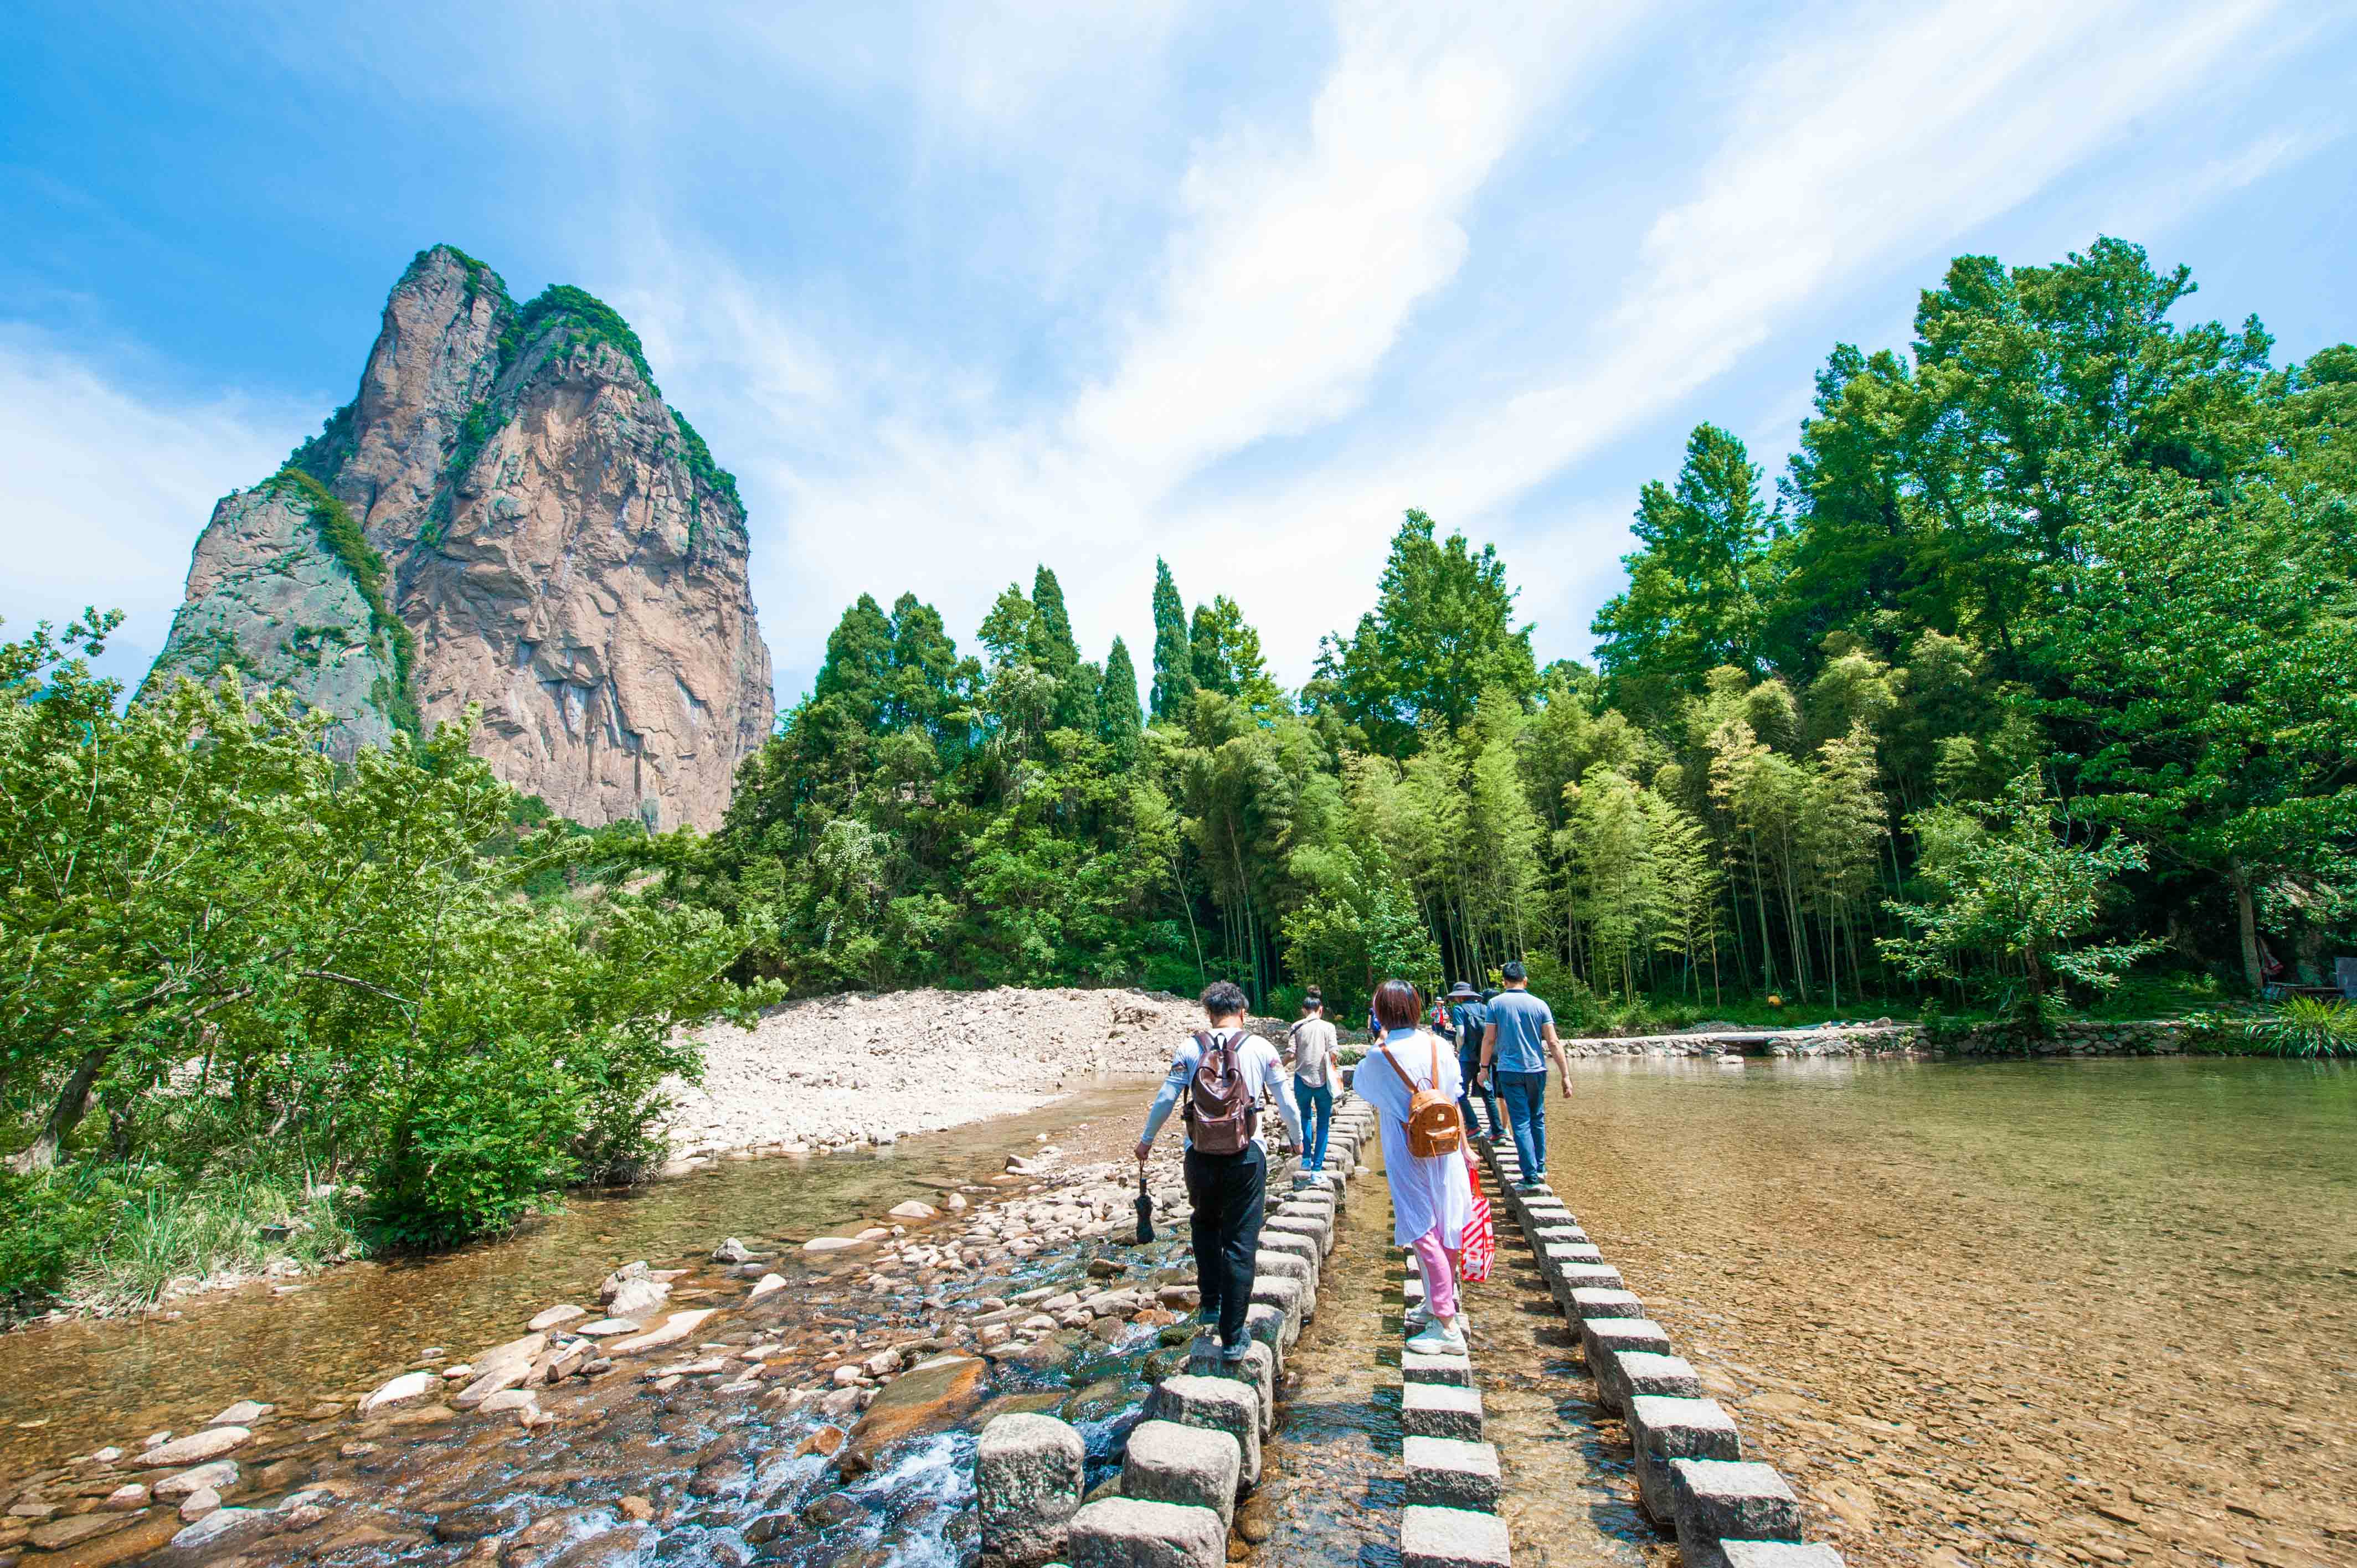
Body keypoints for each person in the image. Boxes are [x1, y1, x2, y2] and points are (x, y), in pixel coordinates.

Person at [1137, 980, 1306, 1360]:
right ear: (1243, 1012)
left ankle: (1210, 1302)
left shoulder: (1190, 1047)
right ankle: (1232, 1338)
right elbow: (1286, 1100)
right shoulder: (1260, 1047)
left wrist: (1147, 1140)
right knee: (1241, 1243)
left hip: (1199, 1155)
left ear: (1209, 1013)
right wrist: (1298, 1140)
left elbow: (1167, 1097)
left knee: (1205, 1224)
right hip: (1247, 1156)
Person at [1355, 978, 1473, 1355]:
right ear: (1417, 1008)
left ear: (1382, 1013)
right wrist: (1467, 1148)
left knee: (1422, 1230)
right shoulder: (1440, 1045)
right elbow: (1454, 1097)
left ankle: (1446, 1324)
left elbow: (1364, 1089)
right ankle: (1435, 1301)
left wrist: (1379, 1042)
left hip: (1407, 1150)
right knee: (1446, 1223)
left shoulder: (1380, 1056)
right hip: (1446, 1145)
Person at [1479, 960, 1569, 1190]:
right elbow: (1553, 1042)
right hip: (1537, 1069)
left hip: (1509, 1070)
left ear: (1504, 982)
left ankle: (1529, 1177)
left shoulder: (1495, 1004)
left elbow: (1489, 1039)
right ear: (1525, 980)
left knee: (1520, 1122)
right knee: (1537, 1118)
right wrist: (1565, 1075)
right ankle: (1540, 1168)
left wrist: (1483, 1069)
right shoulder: (1540, 1005)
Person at [1285, 989, 1338, 1172]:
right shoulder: (1329, 1027)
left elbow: (1291, 1054)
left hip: (1301, 1080)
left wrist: (1278, 1065)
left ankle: (1306, 1159)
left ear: (1303, 1010)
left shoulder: (1296, 1026)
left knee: (1305, 1117)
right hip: (1324, 1082)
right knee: (1323, 1123)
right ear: (1320, 1010)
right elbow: (1334, 1054)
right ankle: (1317, 1169)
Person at [1445, 981, 1499, 1141]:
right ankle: (1498, 1131)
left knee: (1460, 1092)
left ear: (1459, 997)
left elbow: (1460, 1033)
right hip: (1485, 1057)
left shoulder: (1459, 1009)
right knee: (1488, 1093)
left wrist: (1459, 1048)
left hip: (1468, 1057)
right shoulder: (1485, 1007)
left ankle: (1473, 1126)